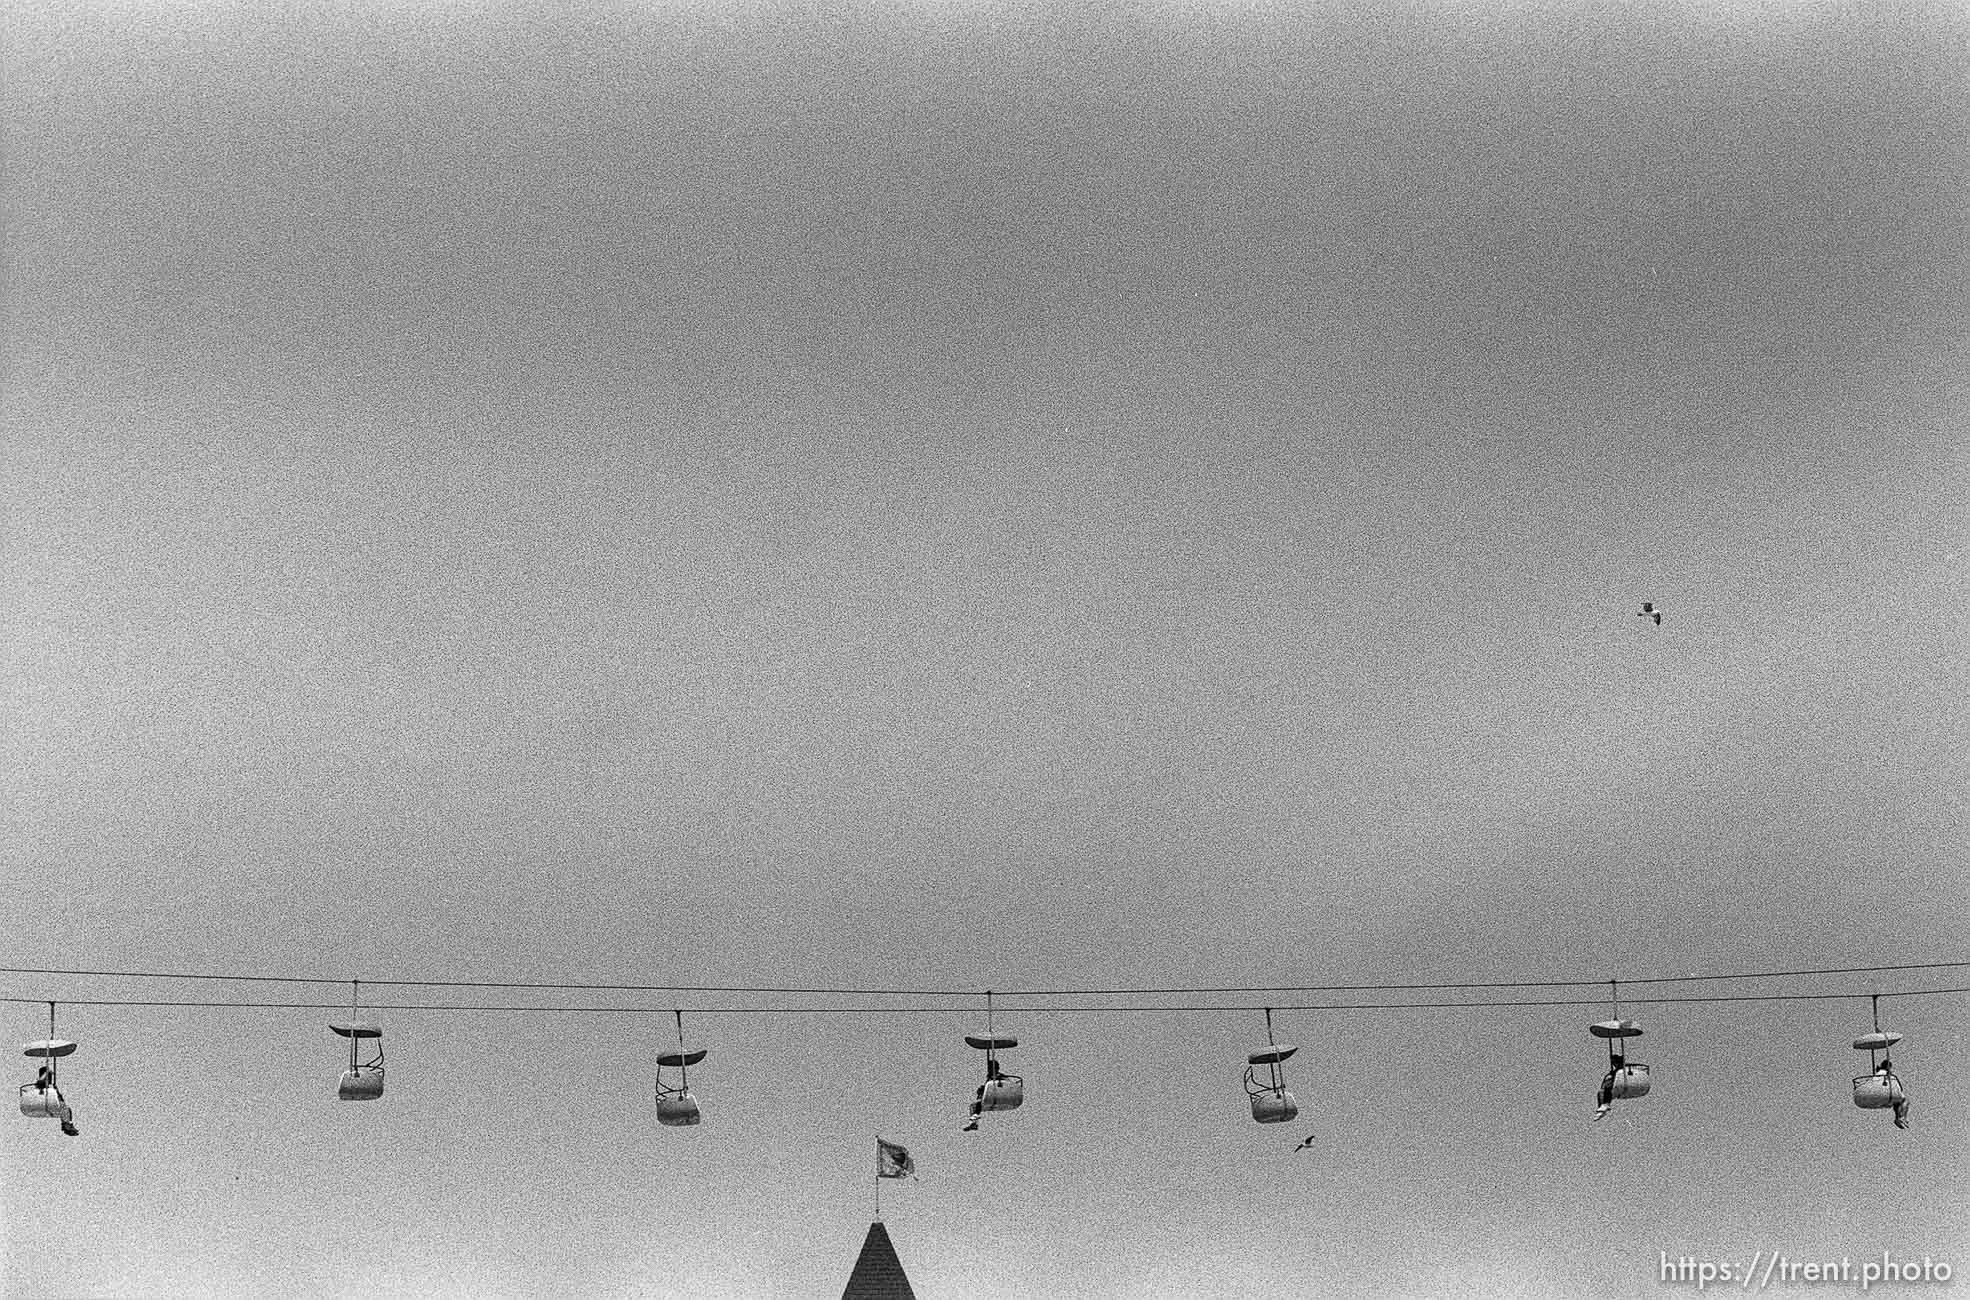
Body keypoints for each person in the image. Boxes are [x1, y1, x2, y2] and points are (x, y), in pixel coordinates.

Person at [1594, 1053, 1625, 1121]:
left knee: (1607, 1089)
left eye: (1615, 1062)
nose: (1614, 1064)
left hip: (1618, 1084)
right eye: (1614, 1063)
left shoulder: (1622, 1070)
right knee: (1600, 1092)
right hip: (1613, 1086)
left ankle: (1605, 1104)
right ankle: (1602, 1108)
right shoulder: (1615, 1071)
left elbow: (1617, 1077)